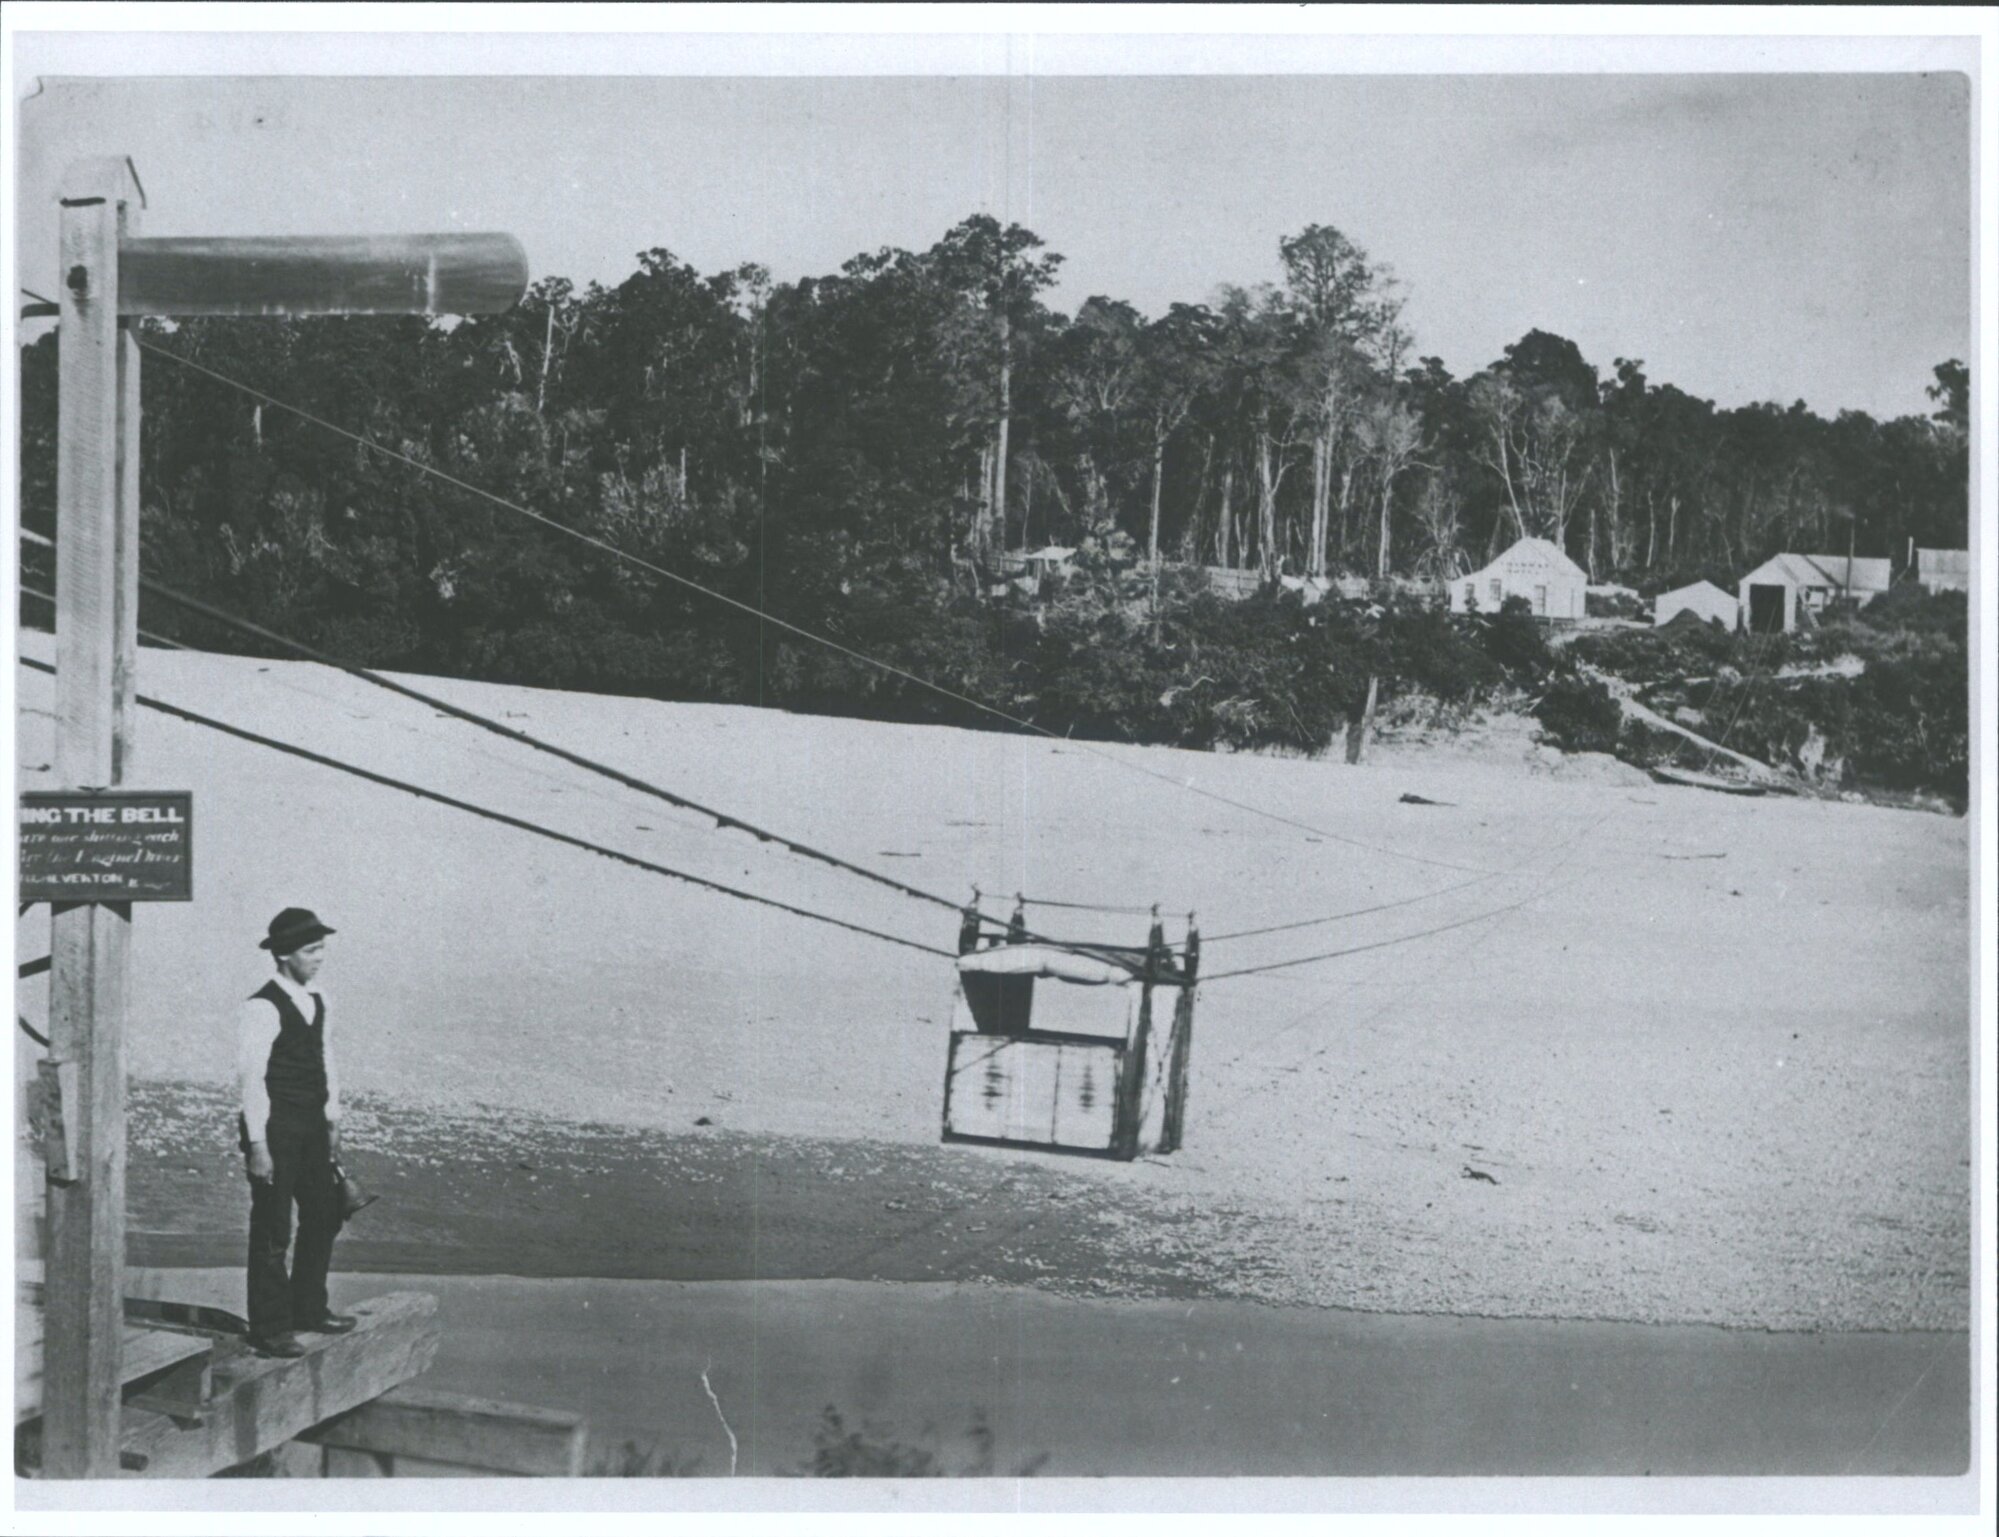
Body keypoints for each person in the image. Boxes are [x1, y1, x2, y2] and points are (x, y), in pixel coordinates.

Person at [237, 906, 355, 1357]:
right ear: (285, 954)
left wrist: (333, 1118)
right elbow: (251, 1081)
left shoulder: (319, 999)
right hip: (275, 1127)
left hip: (311, 1124)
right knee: (272, 1229)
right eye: (311, 949)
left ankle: (309, 1308)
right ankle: (269, 1327)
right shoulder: (262, 1007)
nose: (320, 957)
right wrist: (258, 1145)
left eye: (322, 947)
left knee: (323, 1216)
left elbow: (326, 1061)